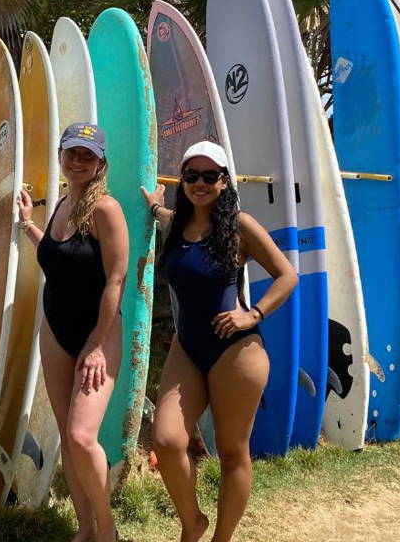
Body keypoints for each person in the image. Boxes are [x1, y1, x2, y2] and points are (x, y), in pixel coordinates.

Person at [140, 140, 297, 542]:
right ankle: (192, 522)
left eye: (210, 176)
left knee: (231, 453)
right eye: (191, 175)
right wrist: (154, 205)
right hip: (188, 347)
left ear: (225, 182)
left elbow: (287, 275)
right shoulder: (177, 223)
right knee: (168, 439)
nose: (200, 183)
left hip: (236, 352)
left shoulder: (238, 226)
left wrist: (253, 314)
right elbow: (164, 214)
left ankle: (220, 539)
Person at [17, 122, 128, 542]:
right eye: (72, 152)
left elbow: (115, 282)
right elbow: (59, 256)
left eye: (88, 154)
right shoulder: (63, 203)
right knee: (66, 432)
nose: (78, 161)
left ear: (101, 162)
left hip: (97, 334)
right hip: (55, 331)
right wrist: (29, 225)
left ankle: (107, 530)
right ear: (62, 156)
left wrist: (97, 346)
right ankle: (84, 526)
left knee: (82, 436)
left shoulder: (106, 210)